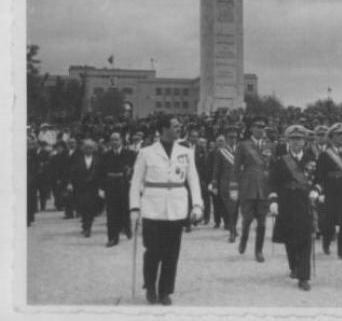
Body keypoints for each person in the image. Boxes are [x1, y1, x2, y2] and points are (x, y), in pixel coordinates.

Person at [129, 115, 204, 305]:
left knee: (171, 254)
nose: (179, 128)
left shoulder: (186, 152)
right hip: (152, 208)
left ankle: (165, 291)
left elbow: (193, 179)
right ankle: (150, 288)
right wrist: (134, 207)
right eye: (175, 125)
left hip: (177, 208)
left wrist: (197, 204)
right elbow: (136, 181)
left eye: (179, 125)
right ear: (163, 129)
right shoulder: (146, 152)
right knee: (153, 252)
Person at [268, 125, 319, 291]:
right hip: (286, 202)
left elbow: (319, 180)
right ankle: (294, 266)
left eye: (300, 139)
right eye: (293, 139)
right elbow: (272, 182)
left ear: (305, 141)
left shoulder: (312, 159)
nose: (297, 142)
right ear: (288, 141)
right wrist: (273, 201)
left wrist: (316, 191)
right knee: (290, 238)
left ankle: (304, 277)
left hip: (305, 202)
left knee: (305, 239)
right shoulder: (280, 160)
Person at [314, 123, 342, 261]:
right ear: (331, 137)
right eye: (338, 135)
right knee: (329, 222)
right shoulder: (324, 155)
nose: (341, 137)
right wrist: (321, 193)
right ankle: (326, 242)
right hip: (330, 190)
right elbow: (319, 175)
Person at [234, 116, 274, 262]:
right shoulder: (243, 145)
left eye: (263, 127)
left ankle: (259, 250)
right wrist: (234, 187)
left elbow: (273, 167)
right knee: (248, 218)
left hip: (264, 187)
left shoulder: (270, 145)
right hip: (248, 186)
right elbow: (236, 167)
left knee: (262, 221)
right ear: (251, 128)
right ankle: (244, 239)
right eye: (257, 126)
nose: (260, 129)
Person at [99, 132, 136, 247]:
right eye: (112, 140)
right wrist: (101, 188)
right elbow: (101, 173)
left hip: (125, 185)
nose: (114, 142)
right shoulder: (105, 155)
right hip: (110, 186)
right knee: (111, 213)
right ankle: (113, 237)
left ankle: (127, 227)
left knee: (125, 209)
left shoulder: (130, 154)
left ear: (121, 140)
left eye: (116, 139)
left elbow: (136, 170)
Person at [212, 125, 241, 243]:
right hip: (226, 184)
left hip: (239, 184)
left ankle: (233, 227)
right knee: (231, 209)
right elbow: (216, 170)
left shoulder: (241, 150)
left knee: (236, 208)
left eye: (234, 137)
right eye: (230, 137)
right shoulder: (221, 152)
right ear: (227, 138)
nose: (232, 139)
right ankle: (232, 231)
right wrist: (214, 184)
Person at [70, 139, 101, 238]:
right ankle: (85, 224)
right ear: (83, 149)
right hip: (81, 186)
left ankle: (88, 227)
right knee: (82, 206)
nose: (88, 150)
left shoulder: (98, 159)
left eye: (90, 148)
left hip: (93, 187)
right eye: (86, 148)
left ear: (93, 149)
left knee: (91, 207)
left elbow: (101, 173)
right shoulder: (78, 159)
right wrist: (70, 183)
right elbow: (72, 172)